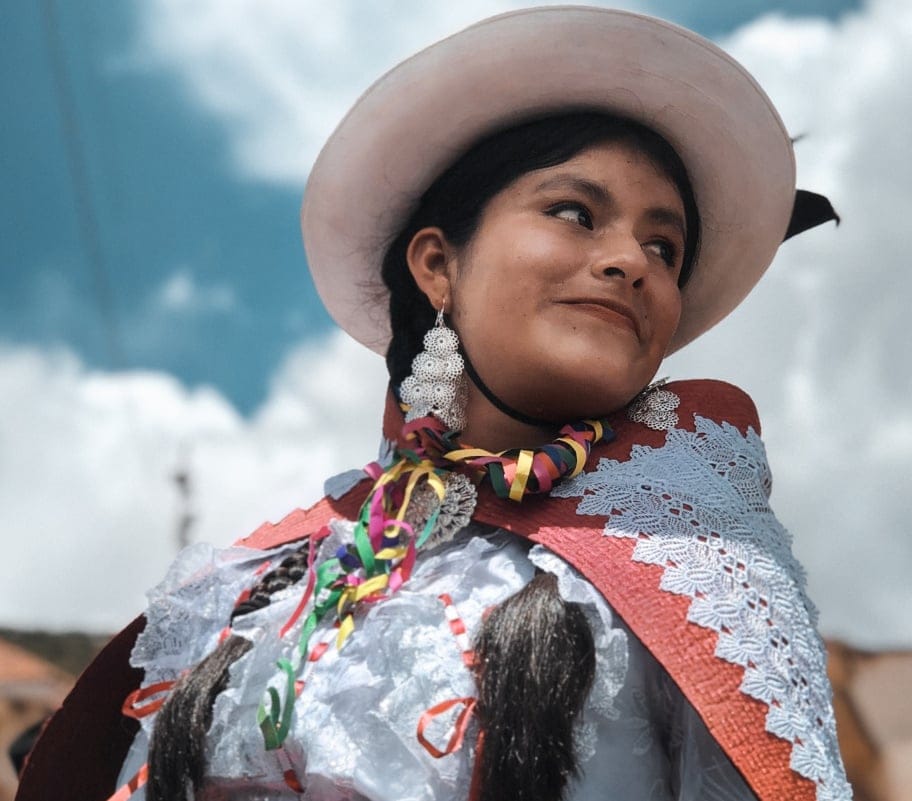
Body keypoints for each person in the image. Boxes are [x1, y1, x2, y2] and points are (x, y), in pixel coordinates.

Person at [16, 8, 845, 801]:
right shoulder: (265, 580)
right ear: (437, 264)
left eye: (664, 246)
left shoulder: (701, 569)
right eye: (575, 212)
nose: (632, 260)